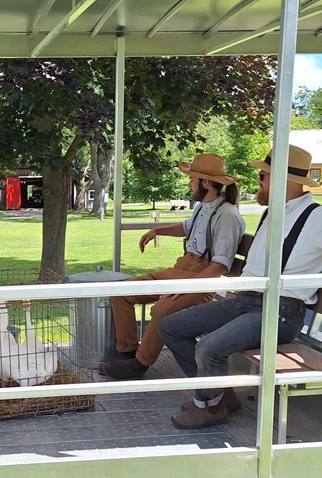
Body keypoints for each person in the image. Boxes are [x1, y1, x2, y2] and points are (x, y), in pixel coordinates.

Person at [157, 145, 322, 429]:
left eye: (263, 176)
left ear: (282, 179)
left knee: (209, 348)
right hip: (245, 303)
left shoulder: (318, 218)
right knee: (171, 326)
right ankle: (219, 396)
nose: (258, 182)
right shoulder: (273, 212)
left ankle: (210, 407)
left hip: (280, 311)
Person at [101, 153, 245, 380]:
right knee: (121, 293)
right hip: (182, 269)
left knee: (161, 309)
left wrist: (186, 285)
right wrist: (158, 230)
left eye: (192, 180)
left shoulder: (226, 215)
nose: (189, 184)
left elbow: (220, 266)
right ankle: (126, 353)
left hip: (202, 278)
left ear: (206, 183)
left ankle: (140, 363)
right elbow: (187, 227)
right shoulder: (203, 206)